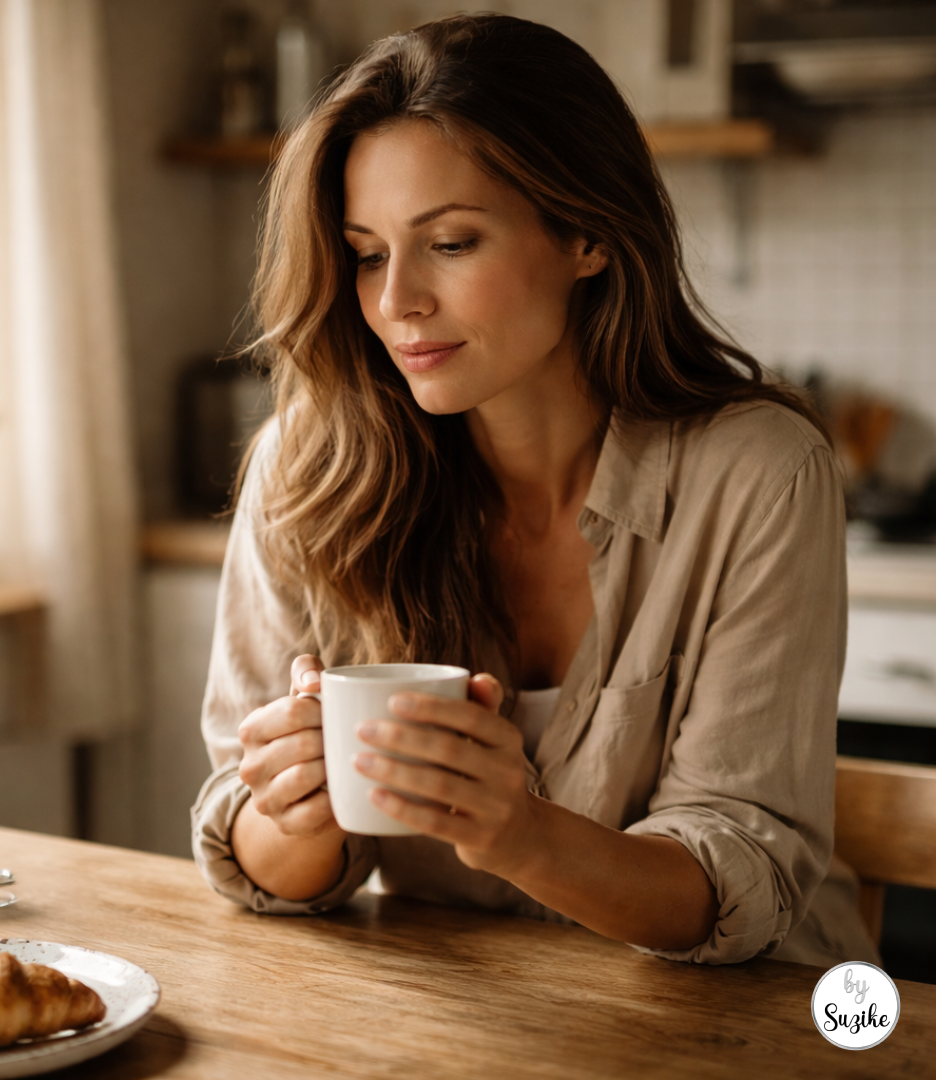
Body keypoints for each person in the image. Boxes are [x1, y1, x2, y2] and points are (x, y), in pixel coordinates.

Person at [192, 13, 878, 966]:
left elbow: (741, 875)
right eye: (367, 253)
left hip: (760, 1030)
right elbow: (259, 859)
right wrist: (297, 807)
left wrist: (519, 833)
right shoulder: (307, 473)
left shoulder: (760, 472)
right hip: (479, 1037)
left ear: (586, 235)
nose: (397, 305)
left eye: (453, 243)